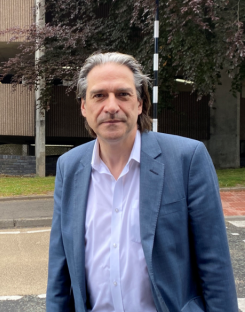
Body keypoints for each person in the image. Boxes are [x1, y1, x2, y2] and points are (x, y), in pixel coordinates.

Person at [46, 52, 238, 312]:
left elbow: (215, 265)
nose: (111, 106)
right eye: (99, 95)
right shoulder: (68, 167)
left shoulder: (187, 159)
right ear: (83, 106)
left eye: (123, 94)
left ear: (139, 103)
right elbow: (60, 271)